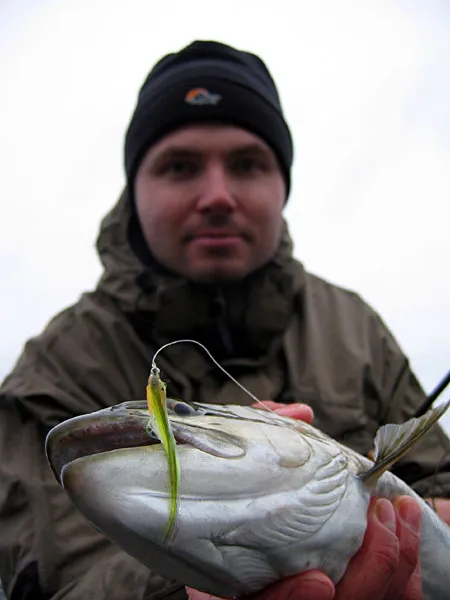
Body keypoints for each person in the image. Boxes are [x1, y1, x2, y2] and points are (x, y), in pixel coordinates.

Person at [0, 40, 449, 600]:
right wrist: (189, 589)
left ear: (282, 184)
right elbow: (55, 581)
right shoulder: (53, 370)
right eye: (180, 167)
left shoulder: (355, 327)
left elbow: (437, 476)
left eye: (247, 164)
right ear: (134, 190)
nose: (216, 196)